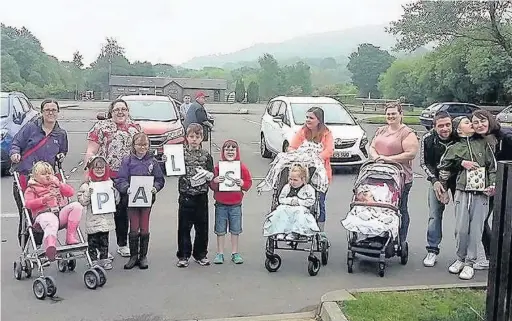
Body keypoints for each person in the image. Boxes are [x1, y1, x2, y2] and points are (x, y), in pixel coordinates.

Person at [438, 116, 496, 280]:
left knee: (476, 230)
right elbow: (443, 164)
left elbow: (492, 167)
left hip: (481, 193)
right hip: (462, 192)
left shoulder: (484, 143)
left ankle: (470, 263)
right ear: (458, 129)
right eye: (467, 122)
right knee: (461, 229)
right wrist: (461, 162)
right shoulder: (454, 147)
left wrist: (492, 185)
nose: (472, 124)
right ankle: (460, 259)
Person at [85, 99, 141, 258]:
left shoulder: (135, 128)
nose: (120, 112)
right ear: (111, 112)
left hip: (126, 178)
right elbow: (91, 151)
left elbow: (141, 151)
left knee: (123, 212)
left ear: (128, 111)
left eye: (123, 109)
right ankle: (101, 249)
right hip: (104, 177)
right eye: (117, 109)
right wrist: (87, 175)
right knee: (102, 214)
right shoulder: (101, 127)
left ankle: (122, 244)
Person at [10, 99, 68, 248]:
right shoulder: (30, 128)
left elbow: (63, 150)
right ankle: (26, 248)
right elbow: (16, 143)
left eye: (54, 110)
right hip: (26, 177)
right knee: (28, 215)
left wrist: (61, 155)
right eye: (47, 110)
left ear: (58, 112)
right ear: (41, 112)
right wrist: (15, 153)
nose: (50, 113)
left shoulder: (60, 134)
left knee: (44, 213)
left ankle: (40, 247)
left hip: (47, 181)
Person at [369, 102, 419, 243]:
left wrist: (388, 159)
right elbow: (372, 146)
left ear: (401, 114)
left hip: (400, 177)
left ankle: (400, 239)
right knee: (378, 207)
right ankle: (377, 235)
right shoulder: (381, 130)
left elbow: (411, 153)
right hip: (379, 174)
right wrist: (377, 158)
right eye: (388, 114)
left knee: (400, 208)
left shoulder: (407, 133)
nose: (390, 116)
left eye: (394, 114)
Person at [116, 133, 165, 269]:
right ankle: (133, 256)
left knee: (144, 227)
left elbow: (159, 180)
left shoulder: (153, 162)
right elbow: (120, 179)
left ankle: (143, 256)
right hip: (131, 200)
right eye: (139, 145)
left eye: (145, 145)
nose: (142, 147)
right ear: (134, 145)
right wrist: (126, 188)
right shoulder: (127, 160)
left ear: (148, 146)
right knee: (133, 227)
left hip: (147, 200)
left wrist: (155, 188)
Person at [471, 109, 512, 269]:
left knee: (503, 223)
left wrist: (499, 184)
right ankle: (491, 257)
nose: (480, 125)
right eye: (476, 122)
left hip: (505, 186)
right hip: (486, 188)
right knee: (479, 221)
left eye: (483, 121)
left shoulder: (505, 138)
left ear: (490, 120)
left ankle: (501, 258)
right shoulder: (476, 140)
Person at [23, 161, 84, 261]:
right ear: (35, 176)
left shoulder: (55, 185)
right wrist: (43, 200)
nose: (47, 176)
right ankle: (50, 245)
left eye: (49, 174)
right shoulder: (32, 188)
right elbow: (28, 204)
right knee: (51, 219)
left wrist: (59, 184)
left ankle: (70, 237)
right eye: (43, 174)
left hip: (59, 213)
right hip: (43, 215)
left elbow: (70, 192)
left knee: (77, 206)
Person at [420, 111, 457, 267]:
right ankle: (432, 250)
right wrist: (434, 181)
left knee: (464, 218)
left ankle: (465, 256)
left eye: (448, 125)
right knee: (435, 215)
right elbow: (424, 163)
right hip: (436, 179)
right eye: (440, 126)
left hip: (458, 180)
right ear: (434, 127)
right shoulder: (427, 139)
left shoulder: (459, 136)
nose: (445, 128)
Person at [288, 107, 334, 233]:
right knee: (299, 200)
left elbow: (329, 150)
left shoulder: (326, 133)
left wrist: (316, 158)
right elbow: (292, 147)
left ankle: (321, 231)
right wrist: (296, 155)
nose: (308, 120)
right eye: (307, 117)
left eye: (311, 118)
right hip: (302, 171)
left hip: (320, 173)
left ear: (319, 120)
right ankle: (296, 227)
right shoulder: (302, 131)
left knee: (319, 202)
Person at [176, 123, 215, 268]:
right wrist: (167, 162)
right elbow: (171, 169)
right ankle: (183, 255)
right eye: (191, 136)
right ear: (186, 138)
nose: (194, 139)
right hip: (186, 195)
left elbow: (212, 174)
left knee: (202, 227)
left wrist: (209, 175)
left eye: (197, 137)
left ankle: (200, 254)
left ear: (202, 138)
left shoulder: (206, 156)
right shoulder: (180, 154)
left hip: (201, 196)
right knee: (184, 227)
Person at [210, 139, 253, 265]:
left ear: (237, 151)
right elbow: (212, 185)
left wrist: (243, 183)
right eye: (227, 149)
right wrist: (215, 181)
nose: (230, 151)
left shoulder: (241, 167)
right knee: (220, 229)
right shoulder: (218, 168)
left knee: (235, 229)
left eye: (232, 149)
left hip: (235, 204)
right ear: (223, 152)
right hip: (221, 204)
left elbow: (248, 182)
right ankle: (220, 253)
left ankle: (235, 252)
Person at [77, 155, 119, 270]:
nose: (99, 170)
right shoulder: (87, 185)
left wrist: (114, 193)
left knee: (104, 241)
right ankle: (93, 259)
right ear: (91, 170)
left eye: (102, 168)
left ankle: (104, 259)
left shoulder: (109, 183)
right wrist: (88, 193)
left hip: (106, 219)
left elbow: (116, 200)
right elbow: (82, 201)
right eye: (96, 168)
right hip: (93, 220)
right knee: (93, 241)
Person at [263, 163, 319, 240]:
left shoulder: (308, 189)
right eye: (290, 179)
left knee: (299, 212)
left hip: (301, 208)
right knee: (280, 210)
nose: (292, 182)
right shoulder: (287, 187)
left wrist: (299, 202)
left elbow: (311, 201)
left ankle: (294, 233)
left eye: (295, 180)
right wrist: (290, 201)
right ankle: (280, 231)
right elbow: (281, 199)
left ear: (303, 180)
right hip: (287, 207)